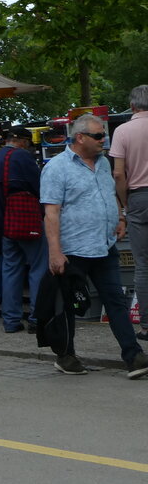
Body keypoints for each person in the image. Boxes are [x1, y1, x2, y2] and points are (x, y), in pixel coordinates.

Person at [41, 113, 148, 378]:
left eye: (104, 135)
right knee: (67, 305)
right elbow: (51, 213)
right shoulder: (57, 168)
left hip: (104, 245)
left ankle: (134, 356)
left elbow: (110, 195)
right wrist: (55, 252)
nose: (104, 140)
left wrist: (120, 217)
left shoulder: (103, 163)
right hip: (73, 250)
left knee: (115, 302)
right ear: (80, 137)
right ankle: (66, 356)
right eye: (99, 135)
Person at [0, 126, 48, 333]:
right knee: (38, 268)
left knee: (11, 270)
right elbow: (41, 188)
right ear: (23, 141)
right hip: (27, 222)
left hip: (5, 225)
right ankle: (37, 319)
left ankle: (11, 321)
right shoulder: (22, 157)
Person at [110, 85, 148, 340]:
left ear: (132, 106)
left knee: (143, 265)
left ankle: (146, 325)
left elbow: (118, 173)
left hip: (138, 198)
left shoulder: (122, 131)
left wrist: (125, 203)